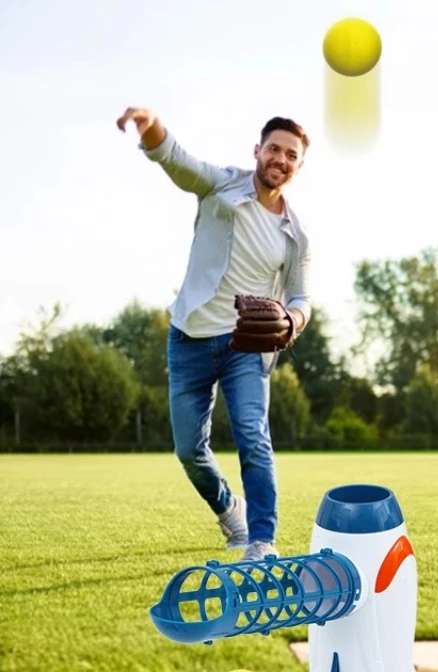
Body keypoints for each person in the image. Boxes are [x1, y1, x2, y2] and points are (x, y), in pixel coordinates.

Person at [116, 107, 312, 562]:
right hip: (190, 336)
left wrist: (291, 321)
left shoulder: (296, 236)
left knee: (251, 432)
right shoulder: (222, 185)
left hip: (247, 346)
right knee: (189, 450)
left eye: (291, 154)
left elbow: (303, 298)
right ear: (258, 151)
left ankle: (261, 541)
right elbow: (180, 161)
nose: (280, 158)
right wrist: (151, 128)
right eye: (274, 149)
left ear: (299, 165)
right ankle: (229, 510)